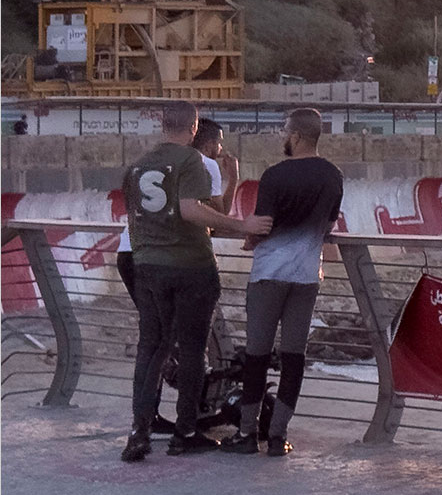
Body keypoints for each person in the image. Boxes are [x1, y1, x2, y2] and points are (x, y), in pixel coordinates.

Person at [120, 101, 243, 461]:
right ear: (193, 128)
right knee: (192, 351)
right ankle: (185, 431)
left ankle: (138, 430)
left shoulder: (139, 165)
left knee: (151, 348)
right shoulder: (193, 161)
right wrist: (242, 225)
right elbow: (199, 213)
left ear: (161, 124)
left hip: (145, 264)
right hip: (190, 265)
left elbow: (134, 216)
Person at [225, 107, 343, 457]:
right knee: (294, 356)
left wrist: (249, 239)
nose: (282, 137)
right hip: (306, 276)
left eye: (284, 132)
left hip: (269, 275)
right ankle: (278, 436)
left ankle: (247, 435)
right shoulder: (333, 176)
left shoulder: (274, 176)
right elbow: (329, 224)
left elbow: (261, 227)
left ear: (294, 136)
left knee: (258, 355)